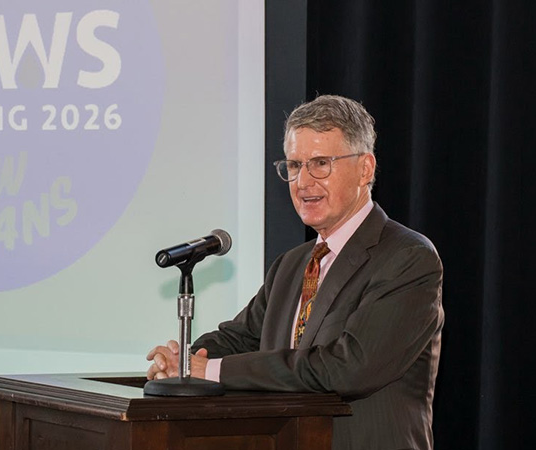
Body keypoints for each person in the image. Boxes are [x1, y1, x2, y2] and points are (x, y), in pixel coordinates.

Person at [146, 95, 444, 450]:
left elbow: (347, 368)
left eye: (320, 163)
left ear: (365, 169)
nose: (302, 182)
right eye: (293, 165)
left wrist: (209, 371)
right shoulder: (292, 264)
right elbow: (240, 338)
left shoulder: (408, 258)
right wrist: (185, 363)